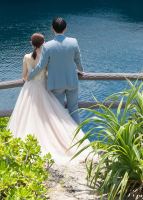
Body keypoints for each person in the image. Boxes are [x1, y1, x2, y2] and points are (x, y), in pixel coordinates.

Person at [8, 31, 88, 164]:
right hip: (46, 87)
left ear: (31, 43)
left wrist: (30, 77)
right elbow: (47, 68)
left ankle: (35, 142)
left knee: (33, 115)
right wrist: (78, 70)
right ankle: (75, 141)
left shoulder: (27, 56)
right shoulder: (47, 54)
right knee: (61, 113)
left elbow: (24, 76)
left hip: (30, 89)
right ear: (43, 43)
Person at [25, 17, 84, 123]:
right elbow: (78, 60)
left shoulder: (47, 46)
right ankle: (78, 137)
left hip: (56, 84)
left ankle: (64, 137)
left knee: (59, 113)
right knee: (74, 110)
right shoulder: (73, 42)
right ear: (65, 28)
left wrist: (29, 76)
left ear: (52, 28)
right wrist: (81, 70)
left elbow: (41, 66)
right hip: (72, 81)